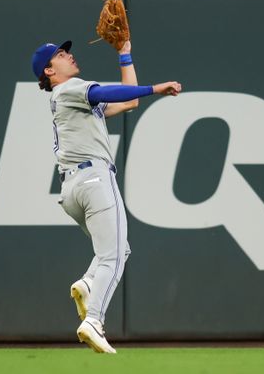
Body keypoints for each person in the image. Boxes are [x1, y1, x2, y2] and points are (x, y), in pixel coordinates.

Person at [31, 38, 181, 354]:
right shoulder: (71, 89)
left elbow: (129, 102)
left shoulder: (69, 100)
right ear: (49, 70)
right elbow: (105, 92)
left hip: (72, 190)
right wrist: (156, 88)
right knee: (113, 256)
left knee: (116, 250)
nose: (69, 55)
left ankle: (87, 284)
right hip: (94, 179)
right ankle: (94, 320)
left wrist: (125, 55)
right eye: (60, 54)